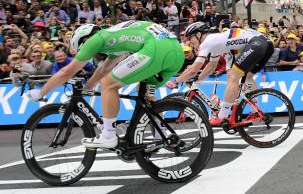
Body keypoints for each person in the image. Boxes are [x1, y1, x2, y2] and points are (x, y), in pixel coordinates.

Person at [26, 21, 183, 148]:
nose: (92, 54)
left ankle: (108, 135)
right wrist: (88, 88)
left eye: (85, 50)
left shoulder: (96, 39)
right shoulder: (114, 38)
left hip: (155, 49)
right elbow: (103, 68)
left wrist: (41, 93)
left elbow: (67, 72)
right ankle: (161, 132)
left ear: (84, 40)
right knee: (145, 91)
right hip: (176, 53)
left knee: (108, 84)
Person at [168, 21, 274, 126]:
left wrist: (176, 81)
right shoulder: (216, 42)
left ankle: (222, 116)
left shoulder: (207, 42)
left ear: (198, 34)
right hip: (266, 44)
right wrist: (198, 79)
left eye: (190, 38)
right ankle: (255, 110)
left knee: (233, 75)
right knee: (248, 76)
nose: (189, 42)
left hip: (257, 43)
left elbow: (194, 69)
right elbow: (211, 66)